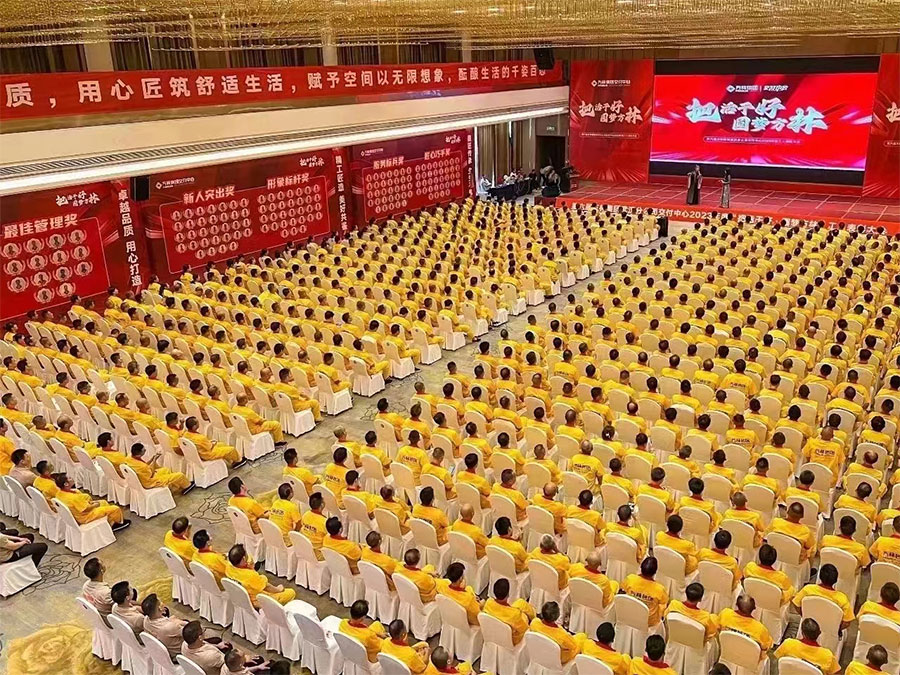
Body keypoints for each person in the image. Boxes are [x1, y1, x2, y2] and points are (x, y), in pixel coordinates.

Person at [225, 543, 295, 606]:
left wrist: (250, 569)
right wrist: (278, 589)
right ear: (243, 559)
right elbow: (267, 587)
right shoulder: (251, 576)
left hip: (241, 597)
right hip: (256, 601)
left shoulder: (228, 567)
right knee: (291, 593)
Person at [774, 618, 840, 674]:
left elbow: (777, 658)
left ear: (802, 633)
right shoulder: (827, 656)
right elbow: (836, 673)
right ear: (819, 633)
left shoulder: (788, 644)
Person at [482, 578, 535, 645]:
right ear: (508, 594)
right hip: (511, 640)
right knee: (522, 606)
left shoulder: (488, 603)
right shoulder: (515, 614)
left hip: (493, 632)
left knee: (520, 603)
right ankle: (534, 616)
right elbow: (524, 629)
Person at [339, 599, 387, 665]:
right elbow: (379, 646)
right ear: (363, 617)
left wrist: (377, 634)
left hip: (351, 649)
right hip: (368, 656)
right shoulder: (368, 635)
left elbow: (365, 632)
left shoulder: (343, 623)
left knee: (377, 624)